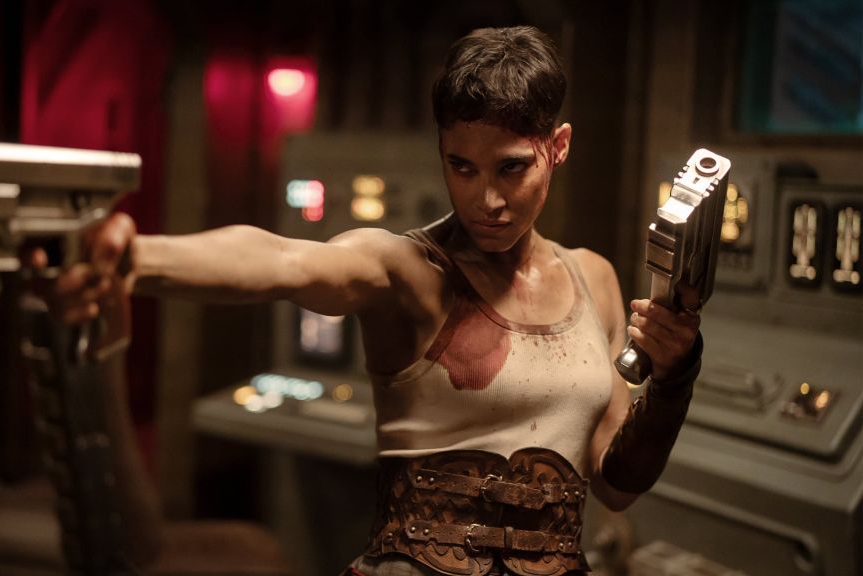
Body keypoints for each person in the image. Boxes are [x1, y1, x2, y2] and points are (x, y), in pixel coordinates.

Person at [43, 25, 702, 576]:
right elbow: (283, 260)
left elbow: (617, 483)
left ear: (557, 148)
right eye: (461, 167)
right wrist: (137, 258)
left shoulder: (595, 278)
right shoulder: (407, 270)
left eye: (511, 168)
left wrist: (674, 381)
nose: (486, 200)